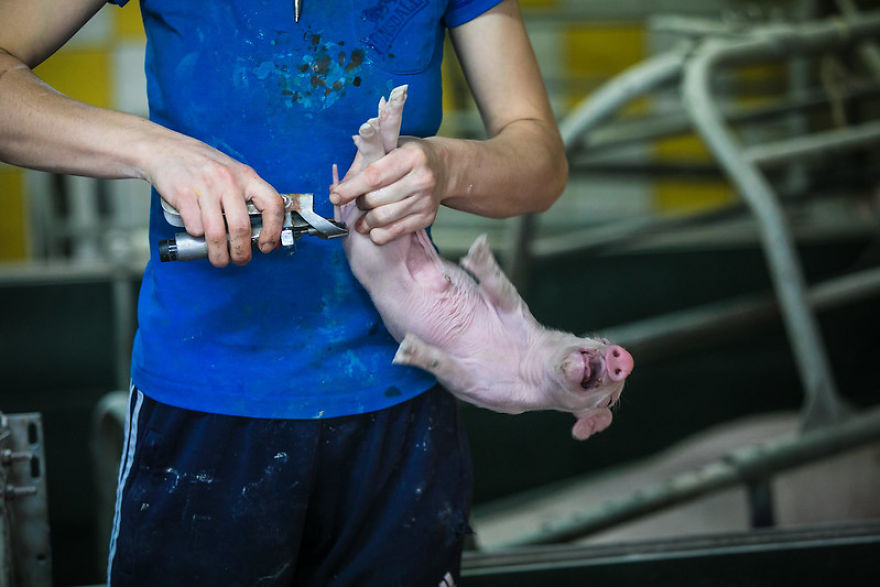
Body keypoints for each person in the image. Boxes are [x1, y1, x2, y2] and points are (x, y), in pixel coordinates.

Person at [0, 0, 567, 584]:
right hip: (208, 405)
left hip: (401, 410)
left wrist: (448, 166)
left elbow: (540, 159)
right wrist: (153, 149)